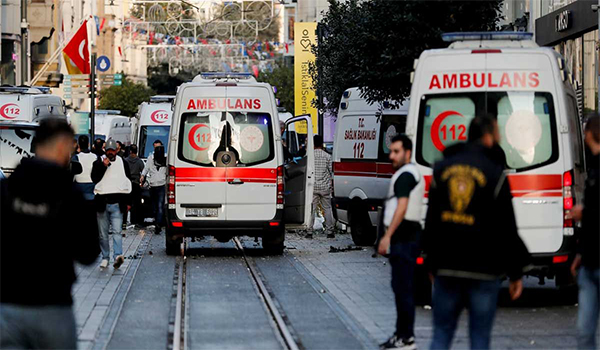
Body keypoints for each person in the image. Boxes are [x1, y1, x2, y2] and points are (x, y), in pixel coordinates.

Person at [422, 116, 530, 350]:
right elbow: (507, 228)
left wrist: (430, 262)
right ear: (489, 136)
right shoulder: (495, 173)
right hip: (484, 269)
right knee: (479, 339)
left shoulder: (442, 169)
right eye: (498, 132)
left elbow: (432, 222)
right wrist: (516, 272)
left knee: (441, 335)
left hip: (447, 266)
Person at [0, 118, 100, 349]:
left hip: (7, 306)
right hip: (53, 306)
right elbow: (88, 254)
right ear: (62, 146)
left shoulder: (7, 189)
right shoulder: (70, 196)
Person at [377, 134, 424, 350]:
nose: (391, 156)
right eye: (391, 151)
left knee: (403, 289)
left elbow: (402, 207)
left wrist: (387, 236)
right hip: (407, 238)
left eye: (396, 151)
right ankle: (402, 335)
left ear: (407, 152)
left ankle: (406, 337)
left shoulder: (405, 175)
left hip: (404, 239)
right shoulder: (409, 173)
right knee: (401, 288)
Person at [571, 114, 600, 350]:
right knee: (584, 332)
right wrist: (580, 253)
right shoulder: (592, 167)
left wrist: (585, 213)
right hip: (589, 261)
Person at [92, 138, 132, 269]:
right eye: (108, 150)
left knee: (117, 232)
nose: (111, 153)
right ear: (105, 150)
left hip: (117, 203)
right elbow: (95, 178)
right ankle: (105, 257)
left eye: (113, 151)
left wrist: (128, 202)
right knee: (103, 233)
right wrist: (102, 166)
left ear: (116, 150)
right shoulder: (98, 162)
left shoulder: (123, 163)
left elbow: (127, 182)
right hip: (102, 203)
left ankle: (117, 256)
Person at [307, 134, 335, 239]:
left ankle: (309, 231)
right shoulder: (327, 156)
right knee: (327, 208)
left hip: (313, 187)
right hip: (325, 187)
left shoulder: (310, 156)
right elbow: (331, 171)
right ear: (321, 144)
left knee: (312, 209)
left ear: (313, 143)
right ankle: (330, 231)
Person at [141, 140, 167, 235]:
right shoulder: (150, 158)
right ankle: (158, 222)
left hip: (161, 185)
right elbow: (146, 168)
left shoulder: (165, 158)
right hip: (153, 185)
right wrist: (143, 176)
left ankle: (158, 224)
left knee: (160, 206)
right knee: (155, 207)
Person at [125, 144, 145, 228]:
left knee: (129, 203)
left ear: (130, 151)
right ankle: (138, 220)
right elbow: (143, 171)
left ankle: (129, 220)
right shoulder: (139, 161)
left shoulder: (125, 161)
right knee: (137, 203)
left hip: (128, 183)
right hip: (136, 184)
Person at [74, 135, 98, 201]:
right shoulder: (95, 156)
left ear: (78, 145)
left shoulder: (76, 157)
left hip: (79, 186)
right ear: (88, 144)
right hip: (92, 187)